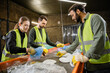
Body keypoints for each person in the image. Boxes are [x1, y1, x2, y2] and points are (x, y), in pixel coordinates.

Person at [59, 4, 110, 73]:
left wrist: (86, 56)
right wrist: (66, 51)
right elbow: (76, 42)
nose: (72, 18)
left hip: (102, 64)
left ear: (78, 11)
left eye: (72, 15)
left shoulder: (94, 18)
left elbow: (99, 38)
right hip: (90, 64)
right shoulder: (80, 27)